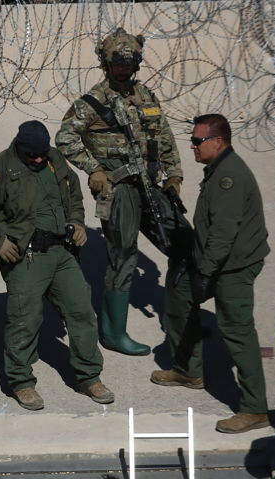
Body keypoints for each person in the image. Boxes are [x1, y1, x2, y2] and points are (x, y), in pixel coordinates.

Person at [54, 27, 191, 357]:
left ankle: (182, 322)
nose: (123, 68)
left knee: (186, 245)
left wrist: (174, 177)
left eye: (129, 62)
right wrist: (95, 169)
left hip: (150, 186)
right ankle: (114, 334)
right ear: (106, 63)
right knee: (124, 257)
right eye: (118, 62)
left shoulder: (145, 96)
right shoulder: (93, 102)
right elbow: (65, 138)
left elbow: (166, 139)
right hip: (119, 190)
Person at [0, 121, 114, 411]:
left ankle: (89, 376)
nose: (38, 159)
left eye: (41, 154)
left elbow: (73, 194)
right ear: (19, 147)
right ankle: (21, 382)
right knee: (24, 319)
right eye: (32, 155)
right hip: (27, 256)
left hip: (62, 251)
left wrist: (77, 221)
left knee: (81, 311)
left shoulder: (55, 159)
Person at [158, 113, 271, 434]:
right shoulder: (218, 169)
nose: (192, 146)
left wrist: (204, 273)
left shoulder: (229, 177)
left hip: (233, 266)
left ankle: (255, 409)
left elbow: (223, 231)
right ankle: (188, 370)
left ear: (217, 142)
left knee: (237, 332)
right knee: (179, 297)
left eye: (197, 141)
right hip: (214, 260)